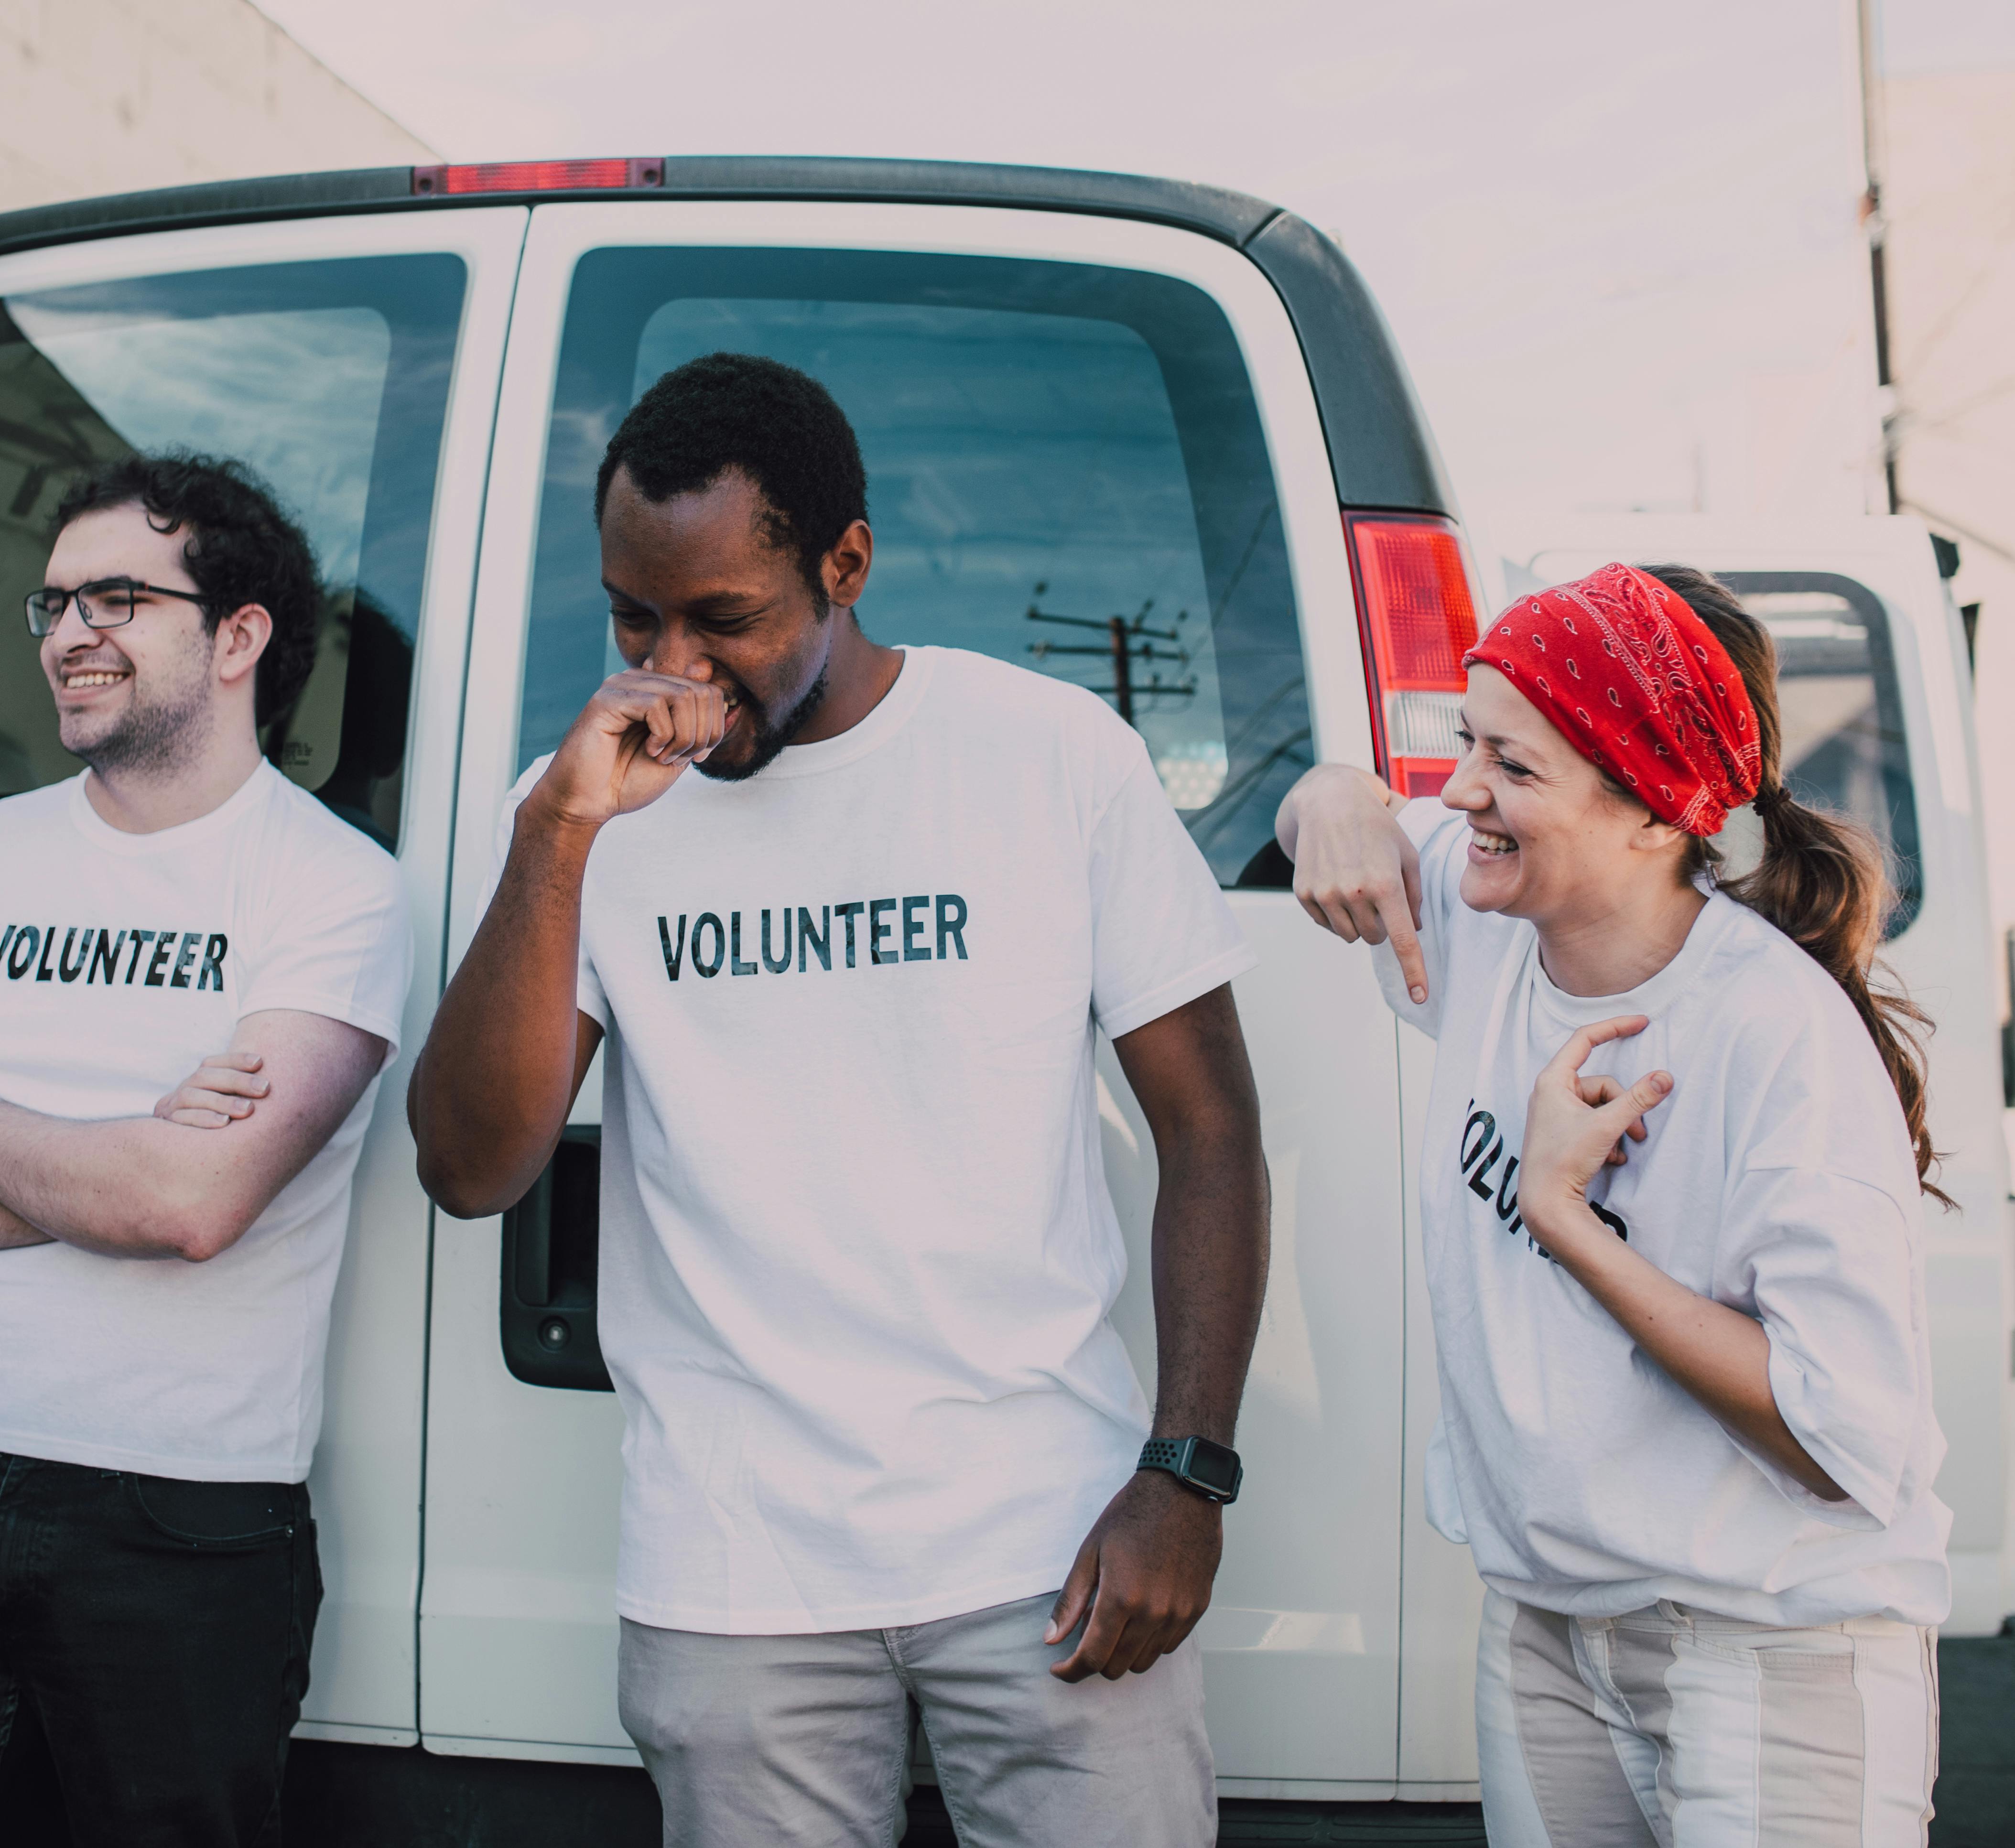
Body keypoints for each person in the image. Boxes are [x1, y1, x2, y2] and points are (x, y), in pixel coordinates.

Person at [405, 354, 1269, 1847]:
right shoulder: (581, 812)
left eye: (723, 618)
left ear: (846, 565)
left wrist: (1185, 1473)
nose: (671, 667)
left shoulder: (1047, 757)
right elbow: (471, 1167)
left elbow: (1212, 1129)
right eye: (632, 615)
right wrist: (556, 833)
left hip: (1047, 1539)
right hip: (734, 1570)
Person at [0, 453, 411, 1846]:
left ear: (239, 635)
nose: (70, 631)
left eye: (118, 597)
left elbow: (194, 1205)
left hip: (184, 1512)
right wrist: (116, 1159)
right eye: (55, 602)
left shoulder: (335, 888)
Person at [1276, 562, 1950, 1844]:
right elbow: (1351, 809)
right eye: (1466, 742)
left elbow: (1837, 1434)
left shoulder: (1771, 1036)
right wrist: (1335, 797)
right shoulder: (1485, 917)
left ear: (1652, 817)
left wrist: (1568, 1223)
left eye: (1513, 767)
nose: (1466, 789)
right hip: (1545, 1630)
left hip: (1770, 1643)